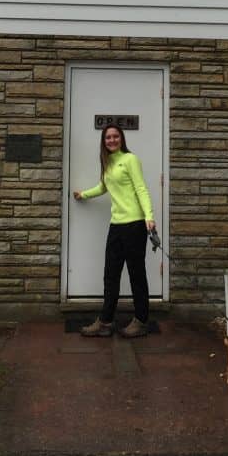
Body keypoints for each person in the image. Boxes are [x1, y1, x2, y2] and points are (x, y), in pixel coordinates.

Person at [73, 124, 156, 337]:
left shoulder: (130, 159)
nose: (111, 140)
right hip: (116, 225)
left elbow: (141, 188)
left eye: (115, 136)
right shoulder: (108, 162)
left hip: (135, 224)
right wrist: (83, 195)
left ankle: (141, 320)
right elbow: (103, 187)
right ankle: (106, 321)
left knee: (136, 274)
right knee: (110, 275)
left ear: (121, 138)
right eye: (108, 137)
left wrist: (149, 217)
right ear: (104, 141)